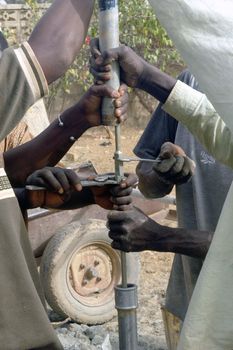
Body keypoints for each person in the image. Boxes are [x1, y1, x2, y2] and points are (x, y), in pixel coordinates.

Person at [90, 40, 233, 349]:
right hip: (190, 297)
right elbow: (148, 181)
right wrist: (161, 173)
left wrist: (161, 238)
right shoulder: (192, 82)